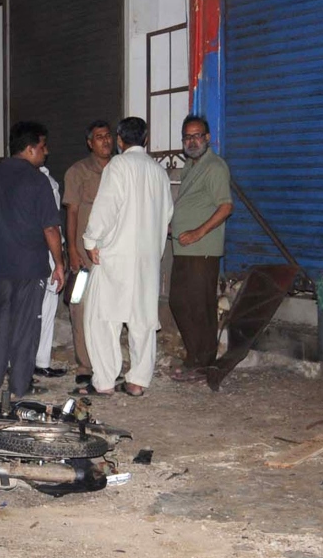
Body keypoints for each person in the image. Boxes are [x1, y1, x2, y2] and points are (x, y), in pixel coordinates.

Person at [80, 117, 174, 397]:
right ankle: (137, 381)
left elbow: (106, 207)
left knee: (102, 318)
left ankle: (105, 381)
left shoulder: (117, 166)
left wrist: (90, 239)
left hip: (116, 256)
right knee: (142, 320)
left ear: (120, 140)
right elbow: (167, 213)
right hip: (146, 260)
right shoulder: (158, 172)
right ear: (145, 139)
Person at [0, 121, 65, 397]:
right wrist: (59, 263)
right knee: (27, 323)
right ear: (29, 149)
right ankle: (20, 385)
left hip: (0, 263)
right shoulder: (38, 180)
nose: (45, 152)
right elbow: (50, 228)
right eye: (42, 146)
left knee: (2, 317)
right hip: (29, 264)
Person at [168, 113, 233, 380]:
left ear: (207, 138)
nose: (192, 141)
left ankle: (202, 363)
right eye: (187, 136)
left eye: (197, 135)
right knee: (179, 302)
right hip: (184, 249)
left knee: (199, 306)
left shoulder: (215, 167)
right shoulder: (190, 167)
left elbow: (226, 206)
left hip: (201, 249)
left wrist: (196, 233)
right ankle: (195, 356)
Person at [61, 120, 114, 389]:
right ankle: (85, 364)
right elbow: (71, 212)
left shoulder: (120, 170)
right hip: (83, 257)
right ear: (90, 143)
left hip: (114, 257)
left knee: (111, 309)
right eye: (99, 137)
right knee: (79, 306)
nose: (105, 141)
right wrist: (71, 249)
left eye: (108, 136)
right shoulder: (78, 172)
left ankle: (109, 363)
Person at [33, 161, 65, 378]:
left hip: (40, 251)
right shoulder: (42, 182)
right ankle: (31, 361)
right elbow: (50, 226)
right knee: (36, 308)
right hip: (39, 252)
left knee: (46, 306)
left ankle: (40, 360)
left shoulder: (47, 180)